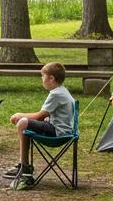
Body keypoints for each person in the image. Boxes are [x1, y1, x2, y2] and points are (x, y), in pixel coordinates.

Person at [6, 62, 76, 190]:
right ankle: (23, 165)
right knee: (25, 124)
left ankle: (25, 170)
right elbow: (49, 115)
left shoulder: (56, 94)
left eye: (42, 76)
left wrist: (19, 115)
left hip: (58, 133)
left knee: (23, 123)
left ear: (51, 78)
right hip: (64, 130)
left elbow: (39, 116)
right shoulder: (62, 90)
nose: (41, 79)